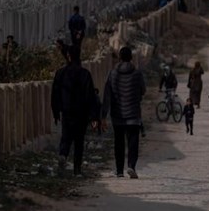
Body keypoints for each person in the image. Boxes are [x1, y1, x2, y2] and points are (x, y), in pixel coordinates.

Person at [52, 45, 99, 176]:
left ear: (68, 56)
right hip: (81, 113)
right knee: (79, 140)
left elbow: (55, 94)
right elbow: (90, 96)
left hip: (66, 111)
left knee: (66, 136)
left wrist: (56, 112)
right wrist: (94, 117)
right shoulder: (85, 74)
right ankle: (77, 170)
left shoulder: (60, 73)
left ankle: (63, 154)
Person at [102, 46, 147, 179]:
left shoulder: (112, 74)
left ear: (120, 58)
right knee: (133, 142)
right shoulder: (137, 73)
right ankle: (131, 166)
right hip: (133, 114)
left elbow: (107, 96)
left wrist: (103, 116)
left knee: (119, 143)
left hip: (118, 115)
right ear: (131, 58)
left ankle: (119, 170)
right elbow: (143, 90)